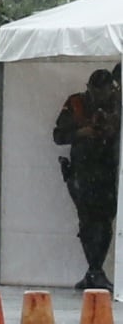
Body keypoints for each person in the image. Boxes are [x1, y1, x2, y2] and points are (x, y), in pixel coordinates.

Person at [55, 66, 119, 291]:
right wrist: (81, 133)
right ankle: (94, 271)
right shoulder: (76, 104)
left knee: (105, 222)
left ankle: (96, 270)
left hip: (109, 173)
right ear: (89, 89)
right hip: (82, 172)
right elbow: (58, 136)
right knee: (86, 221)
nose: (102, 96)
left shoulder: (118, 104)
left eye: (106, 91)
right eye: (97, 91)